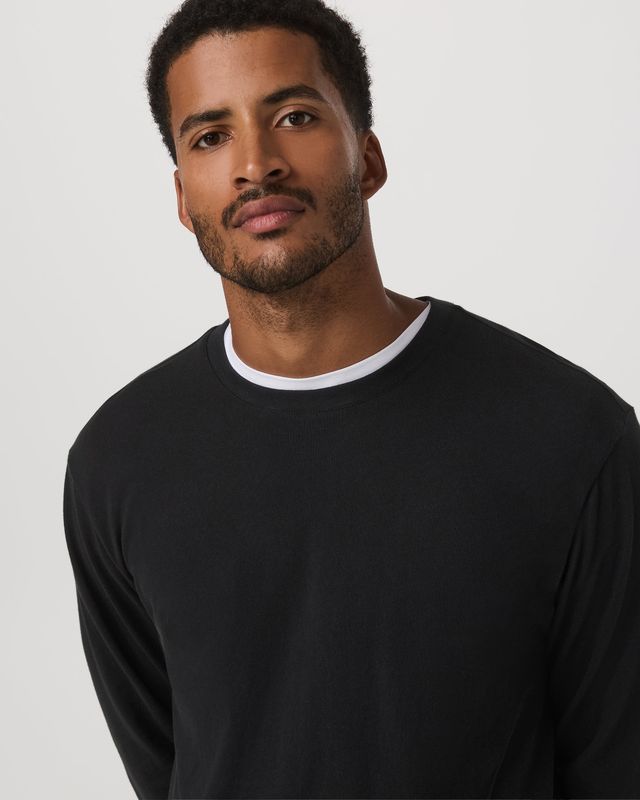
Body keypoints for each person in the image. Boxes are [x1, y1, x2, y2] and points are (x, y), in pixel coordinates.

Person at [62, 0, 640, 798]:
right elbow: (170, 768)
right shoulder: (118, 460)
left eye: (294, 117)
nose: (256, 164)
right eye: (211, 136)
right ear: (183, 198)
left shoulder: (571, 437)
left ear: (367, 159)